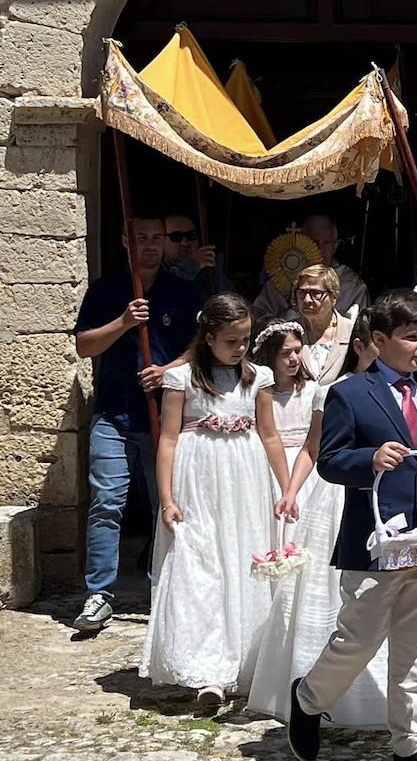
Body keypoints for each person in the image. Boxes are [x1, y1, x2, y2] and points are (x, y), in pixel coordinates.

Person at [248, 312, 417, 728]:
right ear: (379, 339)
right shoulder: (350, 394)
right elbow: (330, 460)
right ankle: (308, 697)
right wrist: (369, 459)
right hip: (376, 541)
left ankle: (411, 739)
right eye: (411, 337)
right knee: (359, 639)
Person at [139, 294, 292, 711]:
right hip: (198, 478)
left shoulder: (256, 377)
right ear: (208, 337)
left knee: (241, 562)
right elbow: (168, 439)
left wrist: (286, 489)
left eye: (244, 340)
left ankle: (246, 660)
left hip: (243, 477)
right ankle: (208, 671)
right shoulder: (182, 379)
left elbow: (270, 435)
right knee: (201, 566)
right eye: (231, 341)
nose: (240, 348)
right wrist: (167, 497)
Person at [71, 214, 198, 634]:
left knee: (167, 505)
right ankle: (99, 594)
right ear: (126, 241)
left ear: (165, 242)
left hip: (167, 420)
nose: (148, 245)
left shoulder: (183, 292)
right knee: (106, 504)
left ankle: (167, 587)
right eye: (140, 237)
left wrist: (169, 369)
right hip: (114, 414)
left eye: (156, 238)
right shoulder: (107, 290)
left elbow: (203, 344)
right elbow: (85, 345)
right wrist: (124, 322)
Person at [253, 213, 368, 323]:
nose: (320, 249)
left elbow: (358, 328)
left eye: (326, 242)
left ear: (335, 246)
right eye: (314, 242)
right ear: (302, 242)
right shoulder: (280, 279)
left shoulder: (352, 285)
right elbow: (259, 318)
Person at [252, 320, 318, 508]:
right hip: (269, 467)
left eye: (298, 351)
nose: (294, 358)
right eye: (285, 353)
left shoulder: (312, 391)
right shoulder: (259, 395)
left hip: (306, 469)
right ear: (270, 354)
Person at [287, 264, 359, 385]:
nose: (307, 300)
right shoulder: (289, 332)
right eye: (302, 292)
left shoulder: (351, 332)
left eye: (316, 293)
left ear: (334, 296)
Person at [163, 211, 234, 294]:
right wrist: (192, 265)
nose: (185, 243)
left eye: (191, 235)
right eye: (176, 237)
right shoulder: (153, 270)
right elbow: (166, 292)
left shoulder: (211, 271)